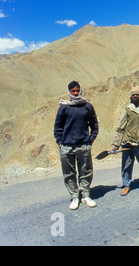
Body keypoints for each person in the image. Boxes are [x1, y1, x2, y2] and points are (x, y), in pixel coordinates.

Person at [54, 81, 99, 210]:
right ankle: (74, 196)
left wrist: (91, 139)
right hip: (67, 146)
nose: (75, 93)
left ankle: (85, 195)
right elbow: (58, 127)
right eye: (73, 91)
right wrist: (60, 142)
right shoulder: (64, 107)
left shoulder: (87, 106)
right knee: (69, 173)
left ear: (80, 90)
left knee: (85, 171)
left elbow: (94, 125)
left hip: (83, 145)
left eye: (77, 91)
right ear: (69, 92)